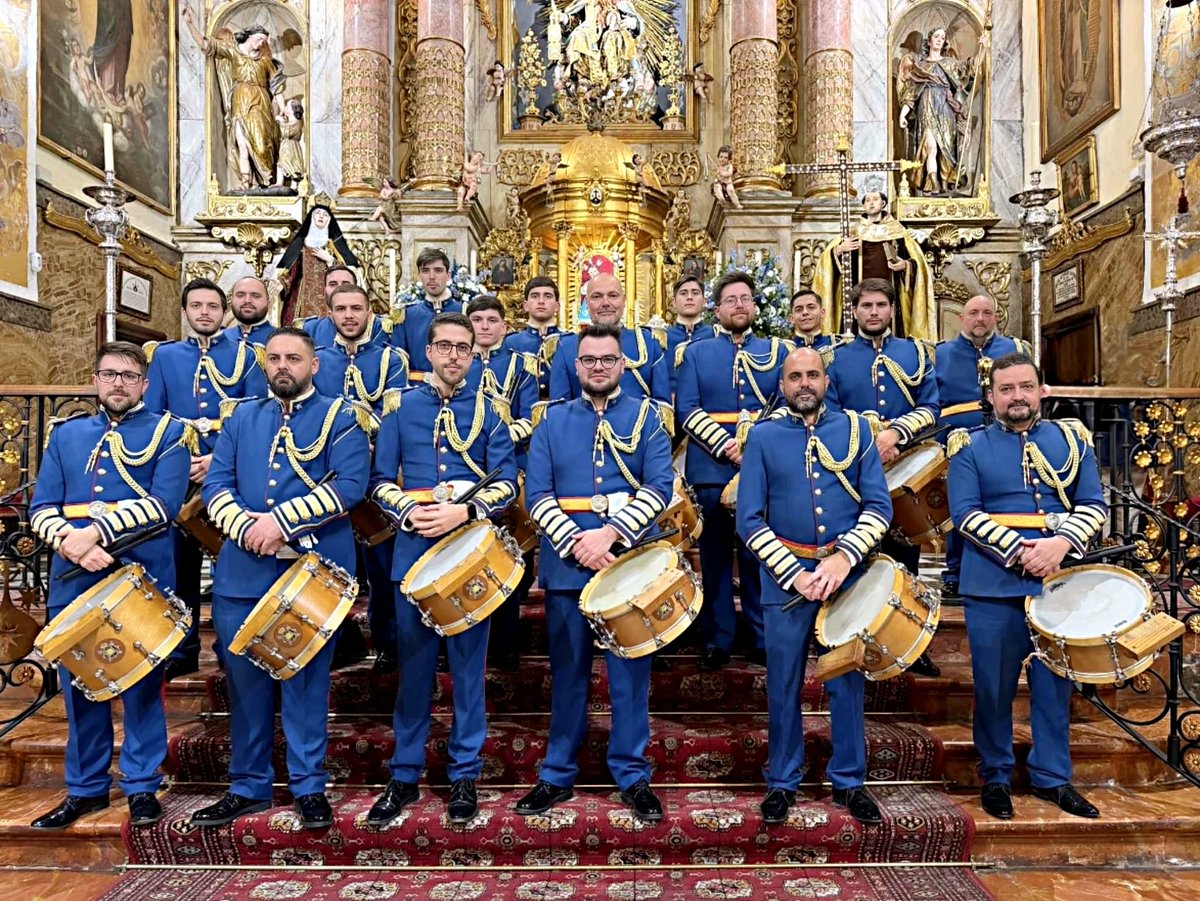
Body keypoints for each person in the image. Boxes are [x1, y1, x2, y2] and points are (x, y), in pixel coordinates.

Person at [192, 328, 370, 829]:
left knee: (306, 685)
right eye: (274, 358)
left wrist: (282, 522)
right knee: (244, 687)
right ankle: (247, 786)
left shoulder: (340, 418)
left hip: (310, 575)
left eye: (294, 357)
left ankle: (308, 786)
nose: (282, 366)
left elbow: (352, 485)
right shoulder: (242, 417)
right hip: (243, 572)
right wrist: (249, 527)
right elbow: (216, 485)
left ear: (314, 366)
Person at [28, 342, 191, 830]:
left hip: (137, 574)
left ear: (143, 383)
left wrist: (97, 535)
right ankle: (86, 788)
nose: (117, 383)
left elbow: (164, 505)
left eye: (128, 375)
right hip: (73, 575)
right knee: (80, 688)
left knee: (141, 683)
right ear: (96, 381)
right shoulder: (67, 435)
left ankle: (142, 786)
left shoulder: (170, 433)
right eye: (108, 374)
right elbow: (41, 507)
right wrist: (73, 545)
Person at [516, 323, 674, 822]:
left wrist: (611, 536)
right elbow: (536, 495)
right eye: (589, 360)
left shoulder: (648, 418)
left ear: (622, 364)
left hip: (630, 564)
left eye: (608, 359)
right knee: (568, 675)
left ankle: (632, 773)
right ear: (576, 366)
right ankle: (557, 772)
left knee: (630, 675)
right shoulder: (551, 421)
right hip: (567, 567)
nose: (599, 367)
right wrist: (575, 542)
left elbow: (660, 485)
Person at [366, 313, 518, 826]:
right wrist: (409, 510)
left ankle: (465, 773)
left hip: (471, 553)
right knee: (414, 673)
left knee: (469, 673)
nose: (454, 356)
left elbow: (507, 484)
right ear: (427, 353)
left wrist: (466, 511)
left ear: (474, 356)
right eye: (445, 347)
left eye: (463, 349)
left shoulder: (491, 412)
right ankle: (404, 773)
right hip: (412, 553)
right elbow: (381, 480)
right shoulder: (399, 408)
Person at [736, 347, 891, 826]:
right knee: (782, 684)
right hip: (786, 581)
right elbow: (749, 519)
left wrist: (844, 560)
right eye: (795, 377)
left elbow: (879, 508)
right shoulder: (762, 437)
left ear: (826, 381)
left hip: (846, 576)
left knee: (846, 680)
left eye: (813, 375)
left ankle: (850, 781)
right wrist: (795, 572)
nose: (804, 383)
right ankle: (782, 781)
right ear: (782, 386)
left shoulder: (857, 430)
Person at [948, 352, 1105, 821]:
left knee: (1055, 684)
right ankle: (994, 775)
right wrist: (1023, 551)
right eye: (1006, 389)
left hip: (1057, 582)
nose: (1016, 397)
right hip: (992, 583)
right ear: (991, 396)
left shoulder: (1071, 439)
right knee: (993, 687)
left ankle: (1052, 778)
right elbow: (965, 515)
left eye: (1025, 386)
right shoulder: (968, 446)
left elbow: (1094, 503)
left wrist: (1060, 545)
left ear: (1041, 391)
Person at [143, 278, 267, 679]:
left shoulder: (250, 356)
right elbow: (153, 420)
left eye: (213, 306)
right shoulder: (164, 356)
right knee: (180, 566)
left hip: (229, 473)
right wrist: (181, 461)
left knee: (236, 558)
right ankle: (183, 648)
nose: (205, 313)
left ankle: (239, 643)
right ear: (185, 312)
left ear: (224, 310)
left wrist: (217, 459)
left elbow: (254, 418)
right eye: (196, 306)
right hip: (178, 475)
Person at [825, 277, 940, 677]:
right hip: (854, 468)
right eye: (866, 306)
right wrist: (866, 442)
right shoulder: (835, 359)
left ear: (892, 309)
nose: (873, 312)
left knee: (906, 557)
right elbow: (831, 414)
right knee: (855, 552)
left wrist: (895, 434)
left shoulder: (916, 353)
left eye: (880, 305)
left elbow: (931, 407)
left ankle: (909, 641)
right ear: (854, 311)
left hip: (902, 464)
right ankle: (848, 635)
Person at [676, 272, 790, 669]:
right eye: (730, 300)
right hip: (710, 468)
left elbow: (788, 403)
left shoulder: (780, 351)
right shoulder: (695, 353)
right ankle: (719, 638)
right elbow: (687, 409)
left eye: (745, 299)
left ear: (755, 306)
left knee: (760, 556)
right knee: (715, 558)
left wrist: (752, 446)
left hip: (761, 469)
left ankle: (761, 638)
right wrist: (727, 445)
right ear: (717, 309)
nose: (739, 305)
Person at [312, 284, 411, 671]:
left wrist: (374, 451)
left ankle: (388, 642)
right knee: (330, 563)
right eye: (341, 308)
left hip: (374, 474)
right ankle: (335, 642)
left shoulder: (391, 359)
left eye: (357, 308)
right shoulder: (318, 359)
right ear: (330, 313)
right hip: (327, 476)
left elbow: (395, 417)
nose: (349, 315)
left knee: (383, 564)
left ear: (370, 311)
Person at [934, 295, 1031, 597]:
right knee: (961, 506)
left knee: (1004, 501)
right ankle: (956, 571)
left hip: (1005, 436)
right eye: (973, 313)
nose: (980, 319)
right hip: (957, 439)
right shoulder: (941, 353)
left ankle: (1012, 562)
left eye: (987, 313)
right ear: (961, 319)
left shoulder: (1014, 349)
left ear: (996, 317)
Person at [465, 295, 538, 670]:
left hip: (512, 463)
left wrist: (496, 436)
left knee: (508, 554)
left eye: (492, 320)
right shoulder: (458, 362)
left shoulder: (521, 365)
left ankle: (507, 641)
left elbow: (530, 417)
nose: (485, 326)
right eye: (477, 320)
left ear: (505, 326)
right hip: (468, 471)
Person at [548, 273, 672, 432]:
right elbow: (559, 413)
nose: (605, 303)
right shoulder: (567, 347)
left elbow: (662, 409)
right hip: (582, 441)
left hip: (636, 441)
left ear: (624, 301)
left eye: (613, 295)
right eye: (597, 297)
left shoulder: (648, 343)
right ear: (586, 304)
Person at [812, 191, 937, 341]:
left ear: (883, 204)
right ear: (863, 206)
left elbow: (918, 265)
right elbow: (826, 263)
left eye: (875, 199)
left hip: (893, 299)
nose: (871, 202)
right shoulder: (852, 232)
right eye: (867, 200)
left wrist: (906, 266)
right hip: (857, 297)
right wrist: (839, 250)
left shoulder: (898, 232)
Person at [277, 204, 362, 326]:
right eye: (317, 213)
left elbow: (352, 275)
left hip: (330, 299)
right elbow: (290, 273)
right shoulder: (301, 244)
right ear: (311, 217)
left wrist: (330, 260)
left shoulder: (335, 245)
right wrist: (279, 283)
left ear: (329, 220)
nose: (321, 216)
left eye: (325, 214)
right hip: (301, 301)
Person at [394, 249, 464, 381]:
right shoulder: (406, 315)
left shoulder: (464, 311)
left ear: (448, 275)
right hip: (417, 389)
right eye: (426, 271)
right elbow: (397, 364)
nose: (432, 277)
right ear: (419, 275)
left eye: (438, 270)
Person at [296, 266, 397, 350]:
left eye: (346, 284)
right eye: (333, 284)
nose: (339, 288)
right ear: (324, 290)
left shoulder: (379, 326)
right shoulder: (309, 328)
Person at [504, 276, 565, 397]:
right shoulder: (510, 342)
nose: (541, 301)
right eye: (535, 296)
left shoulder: (568, 341)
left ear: (557, 306)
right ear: (525, 305)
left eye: (548, 296)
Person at [664, 275, 717, 394]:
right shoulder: (661, 338)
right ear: (673, 302)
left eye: (695, 293)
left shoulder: (715, 335)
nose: (689, 297)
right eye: (683, 293)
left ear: (704, 302)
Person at [789, 289, 845, 361]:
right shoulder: (783, 350)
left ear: (822, 313)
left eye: (811, 307)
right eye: (799, 309)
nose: (805, 312)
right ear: (792, 318)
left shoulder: (838, 346)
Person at [222, 275, 275, 348]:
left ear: (269, 304)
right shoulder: (219, 339)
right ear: (231, 302)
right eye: (240, 295)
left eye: (256, 296)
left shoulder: (283, 338)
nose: (247, 300)